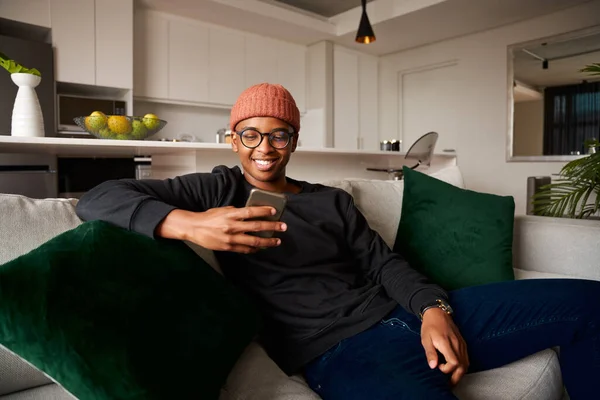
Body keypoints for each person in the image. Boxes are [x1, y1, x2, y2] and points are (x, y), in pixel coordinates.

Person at [76, 83, 600, 400]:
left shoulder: (331, 200)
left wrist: (434, 308)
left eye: (279, 134)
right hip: (341, 351)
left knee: (589, 302)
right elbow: (98, 197)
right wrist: (189, 224)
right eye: (251, 134)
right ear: (233, 138)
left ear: (294, 141)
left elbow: (384, 264)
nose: (265, 147)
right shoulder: (219, 187)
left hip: (409, 313)